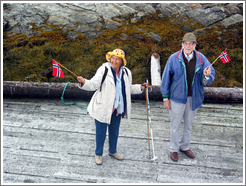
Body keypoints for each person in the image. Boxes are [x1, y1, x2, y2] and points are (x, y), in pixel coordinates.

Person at [77, 49, 148, 165]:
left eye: (117, 59)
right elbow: (94, 84)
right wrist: (84, 82)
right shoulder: (103, 69)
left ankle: (112, 151)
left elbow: (128, 88)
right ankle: (98, 154)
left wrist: (140, 87)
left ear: (121, 61)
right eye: (113, 58)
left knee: (114, 131)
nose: (114, 61)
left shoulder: (127, 72)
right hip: (103, 107)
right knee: (101, 132)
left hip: (118, 108)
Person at [160, 33, 215, 162]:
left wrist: (206, 75)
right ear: (182, 44)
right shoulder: (174, 58)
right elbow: (166, 78)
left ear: (195, 45)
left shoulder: (201, 59)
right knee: (175, 125)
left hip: (194, 99)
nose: (188, 45)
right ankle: (173, 149)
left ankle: (185, 146)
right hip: (176, 99)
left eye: (191, 43)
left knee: (188, 125)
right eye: (186, 43)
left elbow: (208, 77)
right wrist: (165, 98)